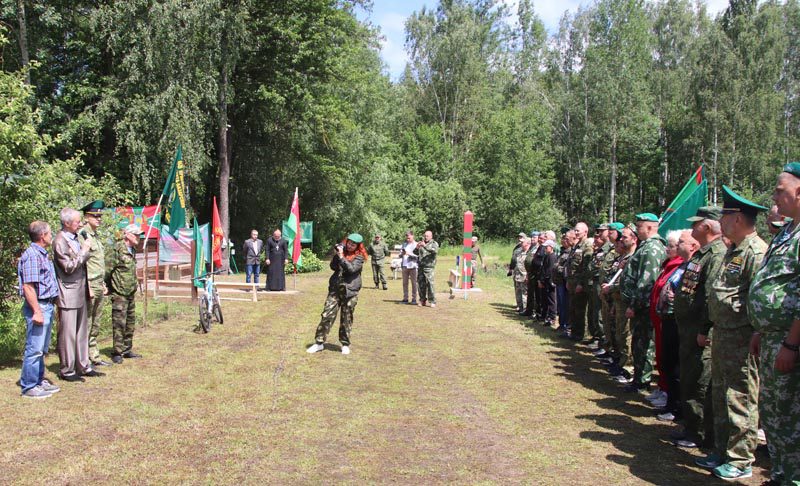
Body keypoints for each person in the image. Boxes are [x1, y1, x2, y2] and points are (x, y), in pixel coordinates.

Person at [693, 186, 767, 480]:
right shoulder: (733, 251)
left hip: (742, 337)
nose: (719, 222)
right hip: (723, 333)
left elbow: (758, 300)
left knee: (741, 397)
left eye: (724, 215)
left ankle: (740, 459)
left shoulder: (756, 252)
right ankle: (723, 450)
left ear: (736, 218)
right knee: (720, 395)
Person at [748, 162, 800, 485]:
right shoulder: (788, 233)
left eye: (780, 191)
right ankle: (780, 475)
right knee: (772, 414)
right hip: (772, 338)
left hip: (788, 342)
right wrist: (760, 329)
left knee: (789, 417)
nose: (774, 197)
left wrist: (791, 343)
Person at [670, 206, 726, 449]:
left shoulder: (716, 254)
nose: (692, 229)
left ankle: (699, 432)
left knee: (699, 382)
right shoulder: (702, 254)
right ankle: (691, 427)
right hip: (689, 329)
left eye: (696, 224)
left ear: (707, 226)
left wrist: (705, 329)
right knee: (689, 378)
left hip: (700, 332)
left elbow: (711, 298)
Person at [54, 207, 102, 381]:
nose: (80, 223)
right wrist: (85, 251)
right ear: (67, 223)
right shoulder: (60, 241)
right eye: (77, 221)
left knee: (82, 331)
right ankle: (67, 370)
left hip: (81, 290)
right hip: (68, 293)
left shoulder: (75, 238)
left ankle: (84, 366)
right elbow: (68, 267)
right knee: (68, 333)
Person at [621, 213, 666, 392]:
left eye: (639, 227)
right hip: (640, 306)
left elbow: (647, 281)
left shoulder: (651, 248)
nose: (637, 230)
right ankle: (638, 377)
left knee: (644, 343)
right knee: (639, 342)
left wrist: (634, 304)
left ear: (649, 227)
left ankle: (643, 380)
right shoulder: (645, 247)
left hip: (644, 306)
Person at [649, 229, 690, 421]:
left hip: (677, 321)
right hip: (665, 318)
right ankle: (667, 396)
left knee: (675, 365)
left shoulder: (684, 266)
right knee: (666, 359)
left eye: (674, 244)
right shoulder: (672, 266)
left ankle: (675, 405)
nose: (669, 248)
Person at [18, 221, 61, 399]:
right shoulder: (32, 255)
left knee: (41, 348)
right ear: (42, 235)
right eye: (50, 233)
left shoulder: (42, 254)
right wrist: (37, 311)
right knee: (34, 348)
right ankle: (29, 386)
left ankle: (38, 380)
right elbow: (28, 286)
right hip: (39, 306)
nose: (52, 235)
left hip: (47, 305)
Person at [306, 234, 366, 355]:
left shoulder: (359, 257)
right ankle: (319, 343)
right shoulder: (342, 253)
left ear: (358, 246)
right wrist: (337, 254)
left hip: (350, 291)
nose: (350, 246)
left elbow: (351, 269)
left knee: (346, 318)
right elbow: (333, 267)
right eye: (349, 243)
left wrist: (341, 256)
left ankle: (345, 344)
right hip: (335, 289)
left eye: (353, 244)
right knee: (326, 315)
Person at [80, 200, 112, 367]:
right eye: (95, 216)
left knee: (96, 322)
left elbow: (97, 263)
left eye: (100, 216)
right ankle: (84, 358)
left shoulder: (96, 236)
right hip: (89, 285)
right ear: (86, 217)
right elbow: (82, 264)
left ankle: (94, 356)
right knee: (86, 322)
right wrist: (87, 286)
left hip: (98, 283)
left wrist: (103, 283)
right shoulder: (82, 235)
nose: (99, 219)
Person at [106, 224, 143, 364]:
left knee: (130, 323)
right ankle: (117, 352)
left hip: (130, 292)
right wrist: (109, 288)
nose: (138, 237)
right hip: (119, 293)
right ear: (127, 234)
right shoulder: (117, 249)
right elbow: (107, 270)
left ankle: (127, 349)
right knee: (119, 323)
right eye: (136, 234)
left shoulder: (132, 250)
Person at [605, 225, 637, 382]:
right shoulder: (624, 258)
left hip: (626, 301)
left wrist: (612, 287)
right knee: (620, 333)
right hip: (617, 300)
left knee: (626, 335)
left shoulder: (634, 257)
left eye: (624, 237)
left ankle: (628, 368)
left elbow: (628, 282)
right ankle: (620, 361)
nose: (621, 240)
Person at [566, 223, 593, 342]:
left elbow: (585, 267)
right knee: (573, 308)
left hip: (579, 283)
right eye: (575, 231)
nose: (576, 233)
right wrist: (568, 280)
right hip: (572, 281)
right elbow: (571, 264)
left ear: (585, 232)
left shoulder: (587, 245)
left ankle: (580, 334)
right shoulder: (576, 245)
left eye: (578, 231)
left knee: (580, 310)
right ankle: (574, 332)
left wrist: (581, 283)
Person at [554, 231, 574, 335]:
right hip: (559, 281)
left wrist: (559, 268)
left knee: (566, 305)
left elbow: (567, 267)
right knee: (561, 305)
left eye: (566, 239)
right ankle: (562, 324)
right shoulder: (563, 251)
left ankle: (565, 325)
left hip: (564, 281)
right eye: (563, 239)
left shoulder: (571, 251)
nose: (563, 241)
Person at [415, 230, 439, 307]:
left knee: (430, 284)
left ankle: (432, 301)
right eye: (425, 236)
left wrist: (424, 246)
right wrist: (417, 247)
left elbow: (434, 251)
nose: (426, 237)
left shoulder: (434, 244)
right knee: (421, 284)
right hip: (421, 267)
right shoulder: (421, 243)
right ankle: (422, 300)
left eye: (427, 236)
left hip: (429, 267)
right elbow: (415, 253)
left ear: (431, 236)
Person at [539, 240, 558, 327]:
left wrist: (548, 281)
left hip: (550, 282)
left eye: (547, 247)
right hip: (546, 281)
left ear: (551, 247)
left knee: (551, 300)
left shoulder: (552, 257)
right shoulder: (547, 256)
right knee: (546, 299)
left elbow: (550, 271)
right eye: (544, 247)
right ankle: (547, 316)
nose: (545, 249)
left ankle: (552, 318)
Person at [512, 237, 531, 313]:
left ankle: (525, 308)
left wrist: (527, 275)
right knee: (518, 292)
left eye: (523, 242)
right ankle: (519, 307)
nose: (521, 243)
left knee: (524, 293)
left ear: (527, 244)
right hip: (517, 275)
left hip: (525, 276)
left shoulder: (530, 253)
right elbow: (514, 262)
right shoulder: (518, 251)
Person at [400, 231, 419, 304]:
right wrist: (402, 253)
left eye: (409, 238)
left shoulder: (416, 244)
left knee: (414, 283)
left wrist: (409, 254)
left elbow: (417, 256)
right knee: (405, 283)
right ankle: (405, 298)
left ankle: (414, 299)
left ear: (412, 236)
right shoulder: (404, 244)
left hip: (413, 266)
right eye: (407, 238)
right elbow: (400, 254)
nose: (407, 239)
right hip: (405, 265)